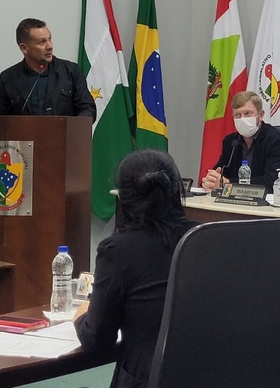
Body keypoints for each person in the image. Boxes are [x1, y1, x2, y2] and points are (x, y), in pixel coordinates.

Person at [74, 149, 198, 388]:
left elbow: (97, 339)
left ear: (123, 197)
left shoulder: (117, 250)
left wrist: (80, 316)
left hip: (147, 379)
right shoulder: (203, 238)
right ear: (177, 189)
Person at [0, 18, 96, 118]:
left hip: (64, 130)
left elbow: (87, 108)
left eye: (49, 39)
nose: (49, 46)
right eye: (42, 42)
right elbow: (1, 122)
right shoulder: (8, 78)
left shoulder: (70, 71)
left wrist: (74, 125)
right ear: (24, 48)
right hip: (25, 130)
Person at [200, 90, 280, 192]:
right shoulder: (231, 141)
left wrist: (228, 183)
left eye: (247, 113)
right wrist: (210, 180)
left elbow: (271, 182)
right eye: (238, 115)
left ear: (261, 115)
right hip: (236, 199)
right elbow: (221, 172)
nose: (242, 119)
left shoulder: (277, 140)